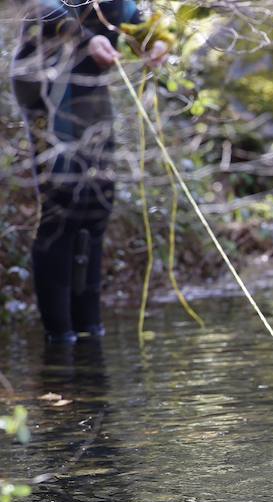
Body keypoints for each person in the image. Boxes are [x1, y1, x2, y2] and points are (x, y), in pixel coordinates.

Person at [12, 0, 168, 343]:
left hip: (90, 95)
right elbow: (42, 8)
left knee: (97, 206)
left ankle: (89, 328)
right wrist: (84, 38)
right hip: (46, 94)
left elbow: (136, 21)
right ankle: (59, 333)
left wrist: (157, 42)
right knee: (61, 207)